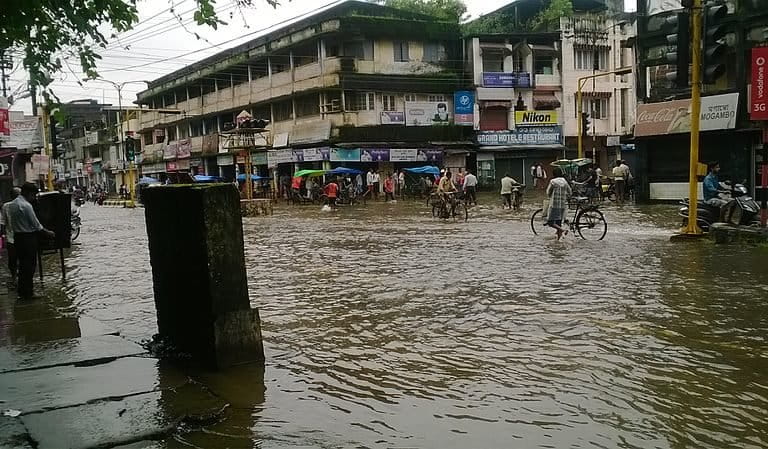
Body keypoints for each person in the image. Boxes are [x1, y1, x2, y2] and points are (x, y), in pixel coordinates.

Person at [8, 183, 55, 300]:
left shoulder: (12, 205)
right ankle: (29, 293)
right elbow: (36, 225)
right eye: (33, 195)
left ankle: (22, 291)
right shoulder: (26, 206)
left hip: (17, 238)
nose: (34, 198)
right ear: (29, 193)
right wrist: (48, 233)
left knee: (23, 266)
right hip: (28, 239)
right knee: (30, 266)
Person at [0, 187, 21, 288]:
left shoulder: (24, 205)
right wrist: (3, 236)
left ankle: (21, 277)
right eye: (17, 195)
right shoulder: (6, 206)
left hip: (22, 236)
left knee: (22, 258)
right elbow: (3, 222)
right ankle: (14, 277)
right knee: (12, 259)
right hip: (11, 237)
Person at [546, 167, 572, 240]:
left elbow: (548, 192)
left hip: (554, 204)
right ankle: (558, 241)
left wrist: (550, 196)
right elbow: (570, 192)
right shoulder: (565, 181)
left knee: (550, 222)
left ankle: (563, 230)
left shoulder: (553, 181)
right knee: (558, 223)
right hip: (563, 205)